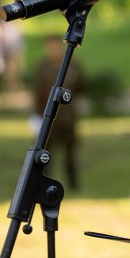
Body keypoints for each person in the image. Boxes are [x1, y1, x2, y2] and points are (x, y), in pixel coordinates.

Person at [31, 33, 86, 190]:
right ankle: (44, 183)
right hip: (48, 119)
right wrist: (36, 117)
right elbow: (37, 94)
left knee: (70, 153)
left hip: (68, 117)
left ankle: (73, 184)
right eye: (51, 46)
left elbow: (82, 87)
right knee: (46, 154)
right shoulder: (41, 68)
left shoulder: (73, 65)